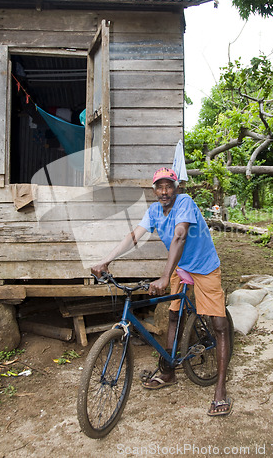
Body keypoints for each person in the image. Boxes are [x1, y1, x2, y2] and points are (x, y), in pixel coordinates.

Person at [91, 167, 232, 417]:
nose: (164, 191)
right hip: (180, 265)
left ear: (176, 188)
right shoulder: (155, 210)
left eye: (169, 186)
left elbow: (179, 237)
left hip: (204, 266)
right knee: (174, 315)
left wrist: (166, 275)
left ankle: (220, 389)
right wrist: (106, 260)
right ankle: (168, 372)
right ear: (154, 190)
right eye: (160, 187)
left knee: (218, 324)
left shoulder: (185, 203)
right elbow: (134, 236)